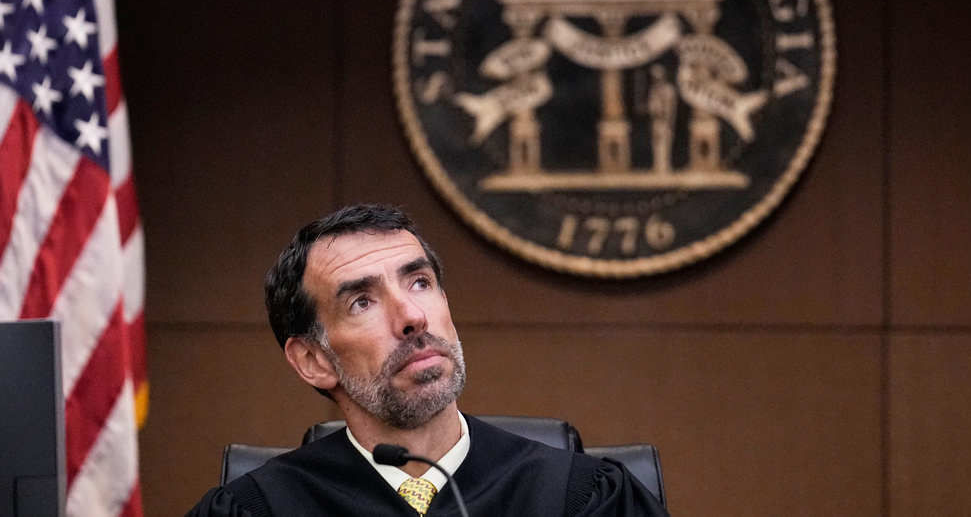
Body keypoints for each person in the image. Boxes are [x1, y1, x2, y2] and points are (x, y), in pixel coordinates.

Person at [186, 204, 669, 516]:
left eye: (419, 282)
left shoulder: (581, 500)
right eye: (363, 302)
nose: (412, 316)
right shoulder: (258, 511)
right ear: (313, 360)